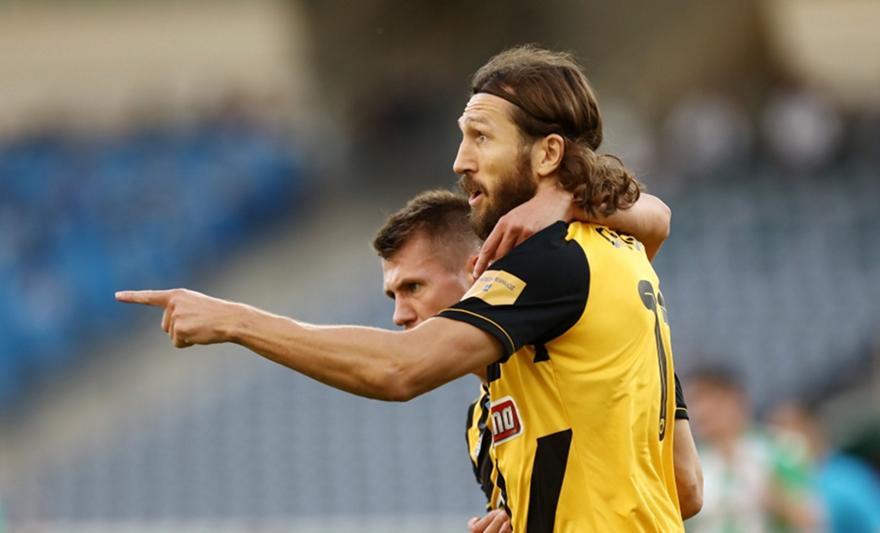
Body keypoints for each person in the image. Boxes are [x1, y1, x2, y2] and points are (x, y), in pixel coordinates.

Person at [117, 45, 686, 531]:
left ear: (548, 153)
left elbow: (398, 369)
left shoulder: (553, 260)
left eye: (481, 137)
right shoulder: (618, 254)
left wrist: (235, 321)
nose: (460, 160)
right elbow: (684, 487)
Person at [372, 189, 702, 533]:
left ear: (476, 272)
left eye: (413, 287)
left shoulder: (578, 348)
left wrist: (565, 199)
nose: (399, 315)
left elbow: (686, 489)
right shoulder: (480, 423)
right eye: (393, 295)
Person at [686, 367, 821, 533]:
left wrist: (776, 498)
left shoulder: (781, 447)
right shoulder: (690, 466)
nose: (701, 410)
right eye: (695, 401)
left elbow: (811, 518)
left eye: (709, 398)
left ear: (735, 399)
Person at [769, 401, 880, 533]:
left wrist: (776, 501)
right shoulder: (800, 478)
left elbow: (812, 516)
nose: (782, 440)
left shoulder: (845, 475)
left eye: (788, 430)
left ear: (810, 429)